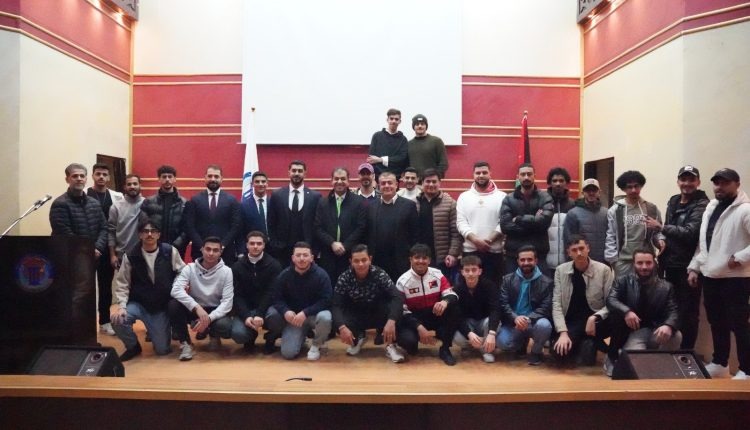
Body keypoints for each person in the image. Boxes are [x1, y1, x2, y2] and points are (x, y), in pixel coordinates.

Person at [688, 168, 750, 380]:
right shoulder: (711, 207)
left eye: (725, 183)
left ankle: (747, 369)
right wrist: (695, 267)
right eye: (717, 183)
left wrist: (740, 257)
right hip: (711, 276)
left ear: (737, 184)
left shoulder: (745, 210)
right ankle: (720, 363)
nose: (719, 187)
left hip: (736, 279)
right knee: (717, 322)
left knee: (739, 325)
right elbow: (704, 243)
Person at [647, 165, 708, 350]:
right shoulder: (673, 200)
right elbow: (667, 230)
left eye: (691, 180)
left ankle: (686, 353)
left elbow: (690, 233)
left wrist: (661, 228)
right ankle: (671, 350)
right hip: (668, 265)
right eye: (683, 179)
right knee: (670, 308)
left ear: (698, 182)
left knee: (688, 312)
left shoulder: (702, 204)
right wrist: (661, 239)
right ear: (678, 181)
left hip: (688, 267)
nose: (687, 183)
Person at [110, 220, 186, 360]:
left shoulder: (169, 251)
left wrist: (176, 287)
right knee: (117, 319)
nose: (149, 234)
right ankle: (133, 347)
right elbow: (122, 283)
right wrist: (121, 307)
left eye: (153, 231)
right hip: (138, 304)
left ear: (158, 235)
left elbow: (183, 271)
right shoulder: (130, 255)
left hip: (159, 307)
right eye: (145, 231)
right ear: (140, 235)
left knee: (162, 350)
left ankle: (163, 327)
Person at [49, 163, 109, 333]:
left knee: (88, 294)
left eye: (82, 176)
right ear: (67, 179)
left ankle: (86, 331)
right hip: (71, 258)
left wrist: (98, 248)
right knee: (73, 295)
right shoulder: (60, 204)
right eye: (75, 176)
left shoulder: (94, 203)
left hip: (93, 256)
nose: (79, 179)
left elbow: (104, 228)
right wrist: (87, 251)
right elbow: (64, 232)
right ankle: (70, 331)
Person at [606, 248, 681, 377]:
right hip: (634, 333)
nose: (644, 267)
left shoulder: (667, 286)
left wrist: (668, 325)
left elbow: (673, 310)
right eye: (640, 263)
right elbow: (611, 300)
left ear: (654, 263)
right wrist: (627, 311)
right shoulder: (622, 281)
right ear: (633, 264)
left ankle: (662, 367)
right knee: (635, 368)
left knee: (677, 336)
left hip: (656, 330)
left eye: (648, 263)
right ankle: (616, 355)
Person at [332, 244, 405, 363]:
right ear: (351, 262)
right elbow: (336, 305)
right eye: (356, 261)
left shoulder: (380, 274)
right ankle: (358, 338)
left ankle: (390, 345)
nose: (360, 264)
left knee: (397, 311)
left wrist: (391, 321)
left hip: (379, 312)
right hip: (356, 314)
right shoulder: (344, 277)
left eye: (364, 260)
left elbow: (397, 297)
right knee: (336, 321)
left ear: (370, 259)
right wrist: (342, 327)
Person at [169, 236, 234, 361]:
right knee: (173, 305)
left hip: (214, 310)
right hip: (195, 308)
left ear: (221, 252)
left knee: (224, 326)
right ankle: (186, 343)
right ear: (202, 249)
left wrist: (208, 319)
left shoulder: (227, 271)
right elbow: (175, 290)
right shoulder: (189, 268)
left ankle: (213, 335)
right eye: (208, 249)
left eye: (215, 250)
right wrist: (197, 308)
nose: (211, 253)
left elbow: (227, 303)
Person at [551, 235, 613, 366]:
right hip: (573, 321)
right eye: (574, 250)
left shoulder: (604, 270)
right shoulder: (560, 270)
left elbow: (611, 302)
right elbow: (556, 304)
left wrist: (595, 317)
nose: (579, 253)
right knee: (558, 353)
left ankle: (595, 345)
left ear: (588, 248)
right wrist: (563, 333)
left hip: (597, 321)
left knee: (616, 317)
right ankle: (589, 343)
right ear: (569, 253)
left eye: (581, 248)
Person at [395, 244, 460, 366]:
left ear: (429, 260)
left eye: (424, 258)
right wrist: (419, 327)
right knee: (408, 342)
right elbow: (401, 310)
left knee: (454, 308)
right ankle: (413, 344)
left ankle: (445, 349)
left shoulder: (438, 274)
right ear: (410, 259)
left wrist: (444, 302)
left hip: (434, 313)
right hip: (413, 318)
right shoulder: (402, 281)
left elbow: (452, 294)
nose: (421, 261)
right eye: (417, 258)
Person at [266, 242, 332, 360]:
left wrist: (306, 312)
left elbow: (326, 300)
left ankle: (316, 345)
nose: (302, 259)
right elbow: (276, 298)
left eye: (305, 255)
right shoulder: (284, 275)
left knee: (326, 317)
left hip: (313, 316)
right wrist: (285, 311)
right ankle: (300, 337)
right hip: (294, 319)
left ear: (312, 258)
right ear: (293, 258)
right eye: (298, 255)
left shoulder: (322, 275)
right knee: (288, 353)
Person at [497, 245, 554, 366]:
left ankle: (536, 351)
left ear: (536, 261)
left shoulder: (547, 282)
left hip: (534, 322)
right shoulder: (507, 280)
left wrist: (528, 319)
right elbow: (503, 303)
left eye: (529, 259)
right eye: (522, 260)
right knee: (502, 342)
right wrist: (515, 318)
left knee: (545, 326)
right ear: (518, 261)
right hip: (514, 323)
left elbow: (545, 307)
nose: (526, 263)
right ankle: (520, 345)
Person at [230, 231, 284, 354]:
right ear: (247, 245)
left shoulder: (274, 265)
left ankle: (271, 338)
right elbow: (237, 295)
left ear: (264, 245)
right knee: (238, 334)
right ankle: (250, 336)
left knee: (278, 317)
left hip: (268, 309)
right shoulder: (237, 267)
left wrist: (260, 313)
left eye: (259, 243)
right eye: (252, 243)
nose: (255, 246)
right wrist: (246, 316)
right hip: (247, 309)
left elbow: (272, 292)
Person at [87, 162, 123, 336]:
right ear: (93, 176)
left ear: (108, 177)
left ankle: (104, 321)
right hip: (85, 248)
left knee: (105, 287)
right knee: (84, 287)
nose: (101, 177)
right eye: (98, 174)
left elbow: (117, 224)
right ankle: (84, 322)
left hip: (106, 247)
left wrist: (113, 250)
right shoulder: (85, 194)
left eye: (104, 174)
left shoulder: (117, 197)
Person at [605, 170, 662, 277]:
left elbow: (657, 232)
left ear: (641, 186)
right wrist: (613, 260)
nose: (634, 190)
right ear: (623, 189)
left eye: (636, 186)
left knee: (647, 287)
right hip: (623, 261)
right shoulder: (615, 210)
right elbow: (611, 235)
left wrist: (660, 240)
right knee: (624, 288)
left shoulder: (651, 208)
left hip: (646, 261)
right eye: (629, 187)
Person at [456, 161, 506, 284]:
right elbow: (461, 223)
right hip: (470, 251)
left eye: (484, 172)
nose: (481, 175)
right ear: (473, 175)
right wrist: (476, 241)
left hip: (494, 251)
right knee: (470, 288)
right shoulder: (464, 197)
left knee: (494, 287)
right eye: (478, 173)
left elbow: (504, 222)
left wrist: (488, 240)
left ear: (490, 174)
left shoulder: (502, 196)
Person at [314, 167, 367, 283]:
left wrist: (345, 246)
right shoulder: (322, 202)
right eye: (336, 178)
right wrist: (332, 243)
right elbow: (318, 228)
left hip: (350, 253)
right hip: (328, 253)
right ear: (331, 181)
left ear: (348, 181)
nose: (339, 181)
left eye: (343, 179)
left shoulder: (358, 202)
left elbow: (361, 227)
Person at [501, 163, 554, 275]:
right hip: (514, 255)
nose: (526, 177)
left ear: (534, 176)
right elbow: (505, 227)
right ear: (518, 177)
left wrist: (519, 219)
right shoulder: (508, 199)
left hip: (538, 254)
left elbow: (545, 223)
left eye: (529, 174)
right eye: (523, 174)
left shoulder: (545, 197)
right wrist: (535, 222)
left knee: (543, 286)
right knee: (512, 286)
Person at [184, 164, 242, 265]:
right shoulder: (194, 200)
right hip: (200, 252)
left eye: (216, 176)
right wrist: (202, 247)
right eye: (210, 176)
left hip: (226, 252)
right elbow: (189, 226)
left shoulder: (232, 200)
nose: (213, 179)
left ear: (221, 179)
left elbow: (236, 226)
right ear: (205, 178)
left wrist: (222, 246)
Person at [367, 172, 419, 282]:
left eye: (390, 183)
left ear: (396, 185)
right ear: (378, 186)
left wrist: (412, 257)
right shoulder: (370, 206)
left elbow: (415, 235)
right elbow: (367, 234)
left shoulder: (409, 206)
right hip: (377, 261)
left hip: (400, 262)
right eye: (383, 183)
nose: (386, 186)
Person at [267, 160, 321, 262]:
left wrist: (315, 248)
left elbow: (318, 224)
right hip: (282, 250)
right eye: (294, 170)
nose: (296, 173)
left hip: (306, 249)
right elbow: (271, 222)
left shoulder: (315, 196)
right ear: (289, 173)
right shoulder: (277, 195)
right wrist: (275, 244)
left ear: (305, 174)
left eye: (300, 171)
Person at [452, 256, 500, 363]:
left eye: (474, 270)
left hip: (484, 322)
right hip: (468, 323)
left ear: (480, 271)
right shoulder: (457, 289)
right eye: (467, 270)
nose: (470, 273)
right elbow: (457, 316)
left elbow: (495, 310)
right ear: (462, 272)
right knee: (456, 337)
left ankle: (487, 350)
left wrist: (492, 334)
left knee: (495, 323)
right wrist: (469, 333)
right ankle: (470, 346)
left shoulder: (490, 286)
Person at [415, 168, 461, 280]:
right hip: (420, 257)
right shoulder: (414, 203)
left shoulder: (450, 203)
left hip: (442, 258)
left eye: (434, 181)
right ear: (422, 183)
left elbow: (456, 232)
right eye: (428, 181)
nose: (431, 184)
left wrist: (453, 253)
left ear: (439, 183)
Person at [140, 165, 188, 257]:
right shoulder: (148, 202)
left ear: (175, 179)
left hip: (177, 249)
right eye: (164, 177)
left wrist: (176, 245)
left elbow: (187, 228)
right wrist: (153, 243)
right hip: (154, 248)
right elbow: (143, 225)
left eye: (170, 176)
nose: (167, 179)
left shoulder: (184, 203)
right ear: (159, 179)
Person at [563, 178, 608, 263]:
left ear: (599, 192)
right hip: (581, 261)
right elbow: (568, 240)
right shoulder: (573, 214)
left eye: (594, 190)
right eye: (588, 190)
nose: (591, 193)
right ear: (582, 193)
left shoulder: (606, 213)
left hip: (602, 262)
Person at [108, 174, 145, 270]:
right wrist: (112, 255)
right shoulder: (116, 207)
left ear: (140, 185)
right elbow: (111, 232)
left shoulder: (147, 204)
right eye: (129, 184)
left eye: (135, 184)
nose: (132, 186)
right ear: (124, 187)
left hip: (143, 255)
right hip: (122, 256)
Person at [546, 167, 576, 272]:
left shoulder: (573, 204)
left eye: (561, 180)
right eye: (554, 181)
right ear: (550, 183)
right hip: (546, 260)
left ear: (566, 182)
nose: (558, 184)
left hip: (567, 260)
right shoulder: (543, 202)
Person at [367, 108, 409, 180]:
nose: (393, 121)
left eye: (396, 119)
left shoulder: (403, 139)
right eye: (391, 118)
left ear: (400, 121)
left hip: (395, 177)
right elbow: (371, 159)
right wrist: (391, 161)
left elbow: (401, 159)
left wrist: (380, 160)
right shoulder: (377, 136)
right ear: (387, 120)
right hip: (378, 177)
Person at [407, 114, 448, 179]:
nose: (420, 126)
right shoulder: (409, 144)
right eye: (417, 124)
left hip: (431, 182)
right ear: (413, 127)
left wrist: (435, 177)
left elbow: (443, 163)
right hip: (415, 182)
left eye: (422, 124)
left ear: (426, 126)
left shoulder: (436, 141)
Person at [239, 171, 271, 239]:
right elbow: (241, 230)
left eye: (263, 181)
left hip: (273, 244)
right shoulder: (243, 205)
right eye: (257, 182)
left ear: (267, 184)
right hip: (253, 243)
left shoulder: (274, 203)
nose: (260, 184)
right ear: (252, 184)